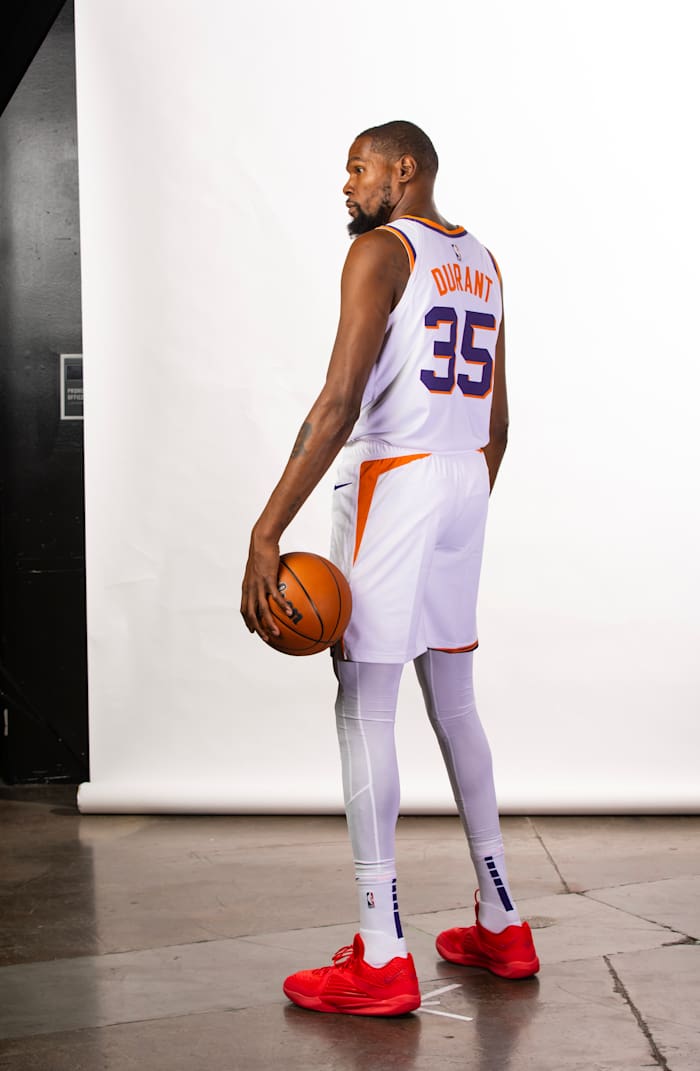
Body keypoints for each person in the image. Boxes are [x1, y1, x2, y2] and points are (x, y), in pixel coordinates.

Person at [241, 120, 539, 1016]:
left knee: (364, 704)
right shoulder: (482, 259)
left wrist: (266, 530)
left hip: (394, 478)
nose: (347, 184)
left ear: (402, 171)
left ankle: (380, 950)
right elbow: (499, 421)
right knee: (457, 704)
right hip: (463, 478)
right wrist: (458, 501)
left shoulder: (381, 249)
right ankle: (503, 920)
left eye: (358, 168)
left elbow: (339, 402)